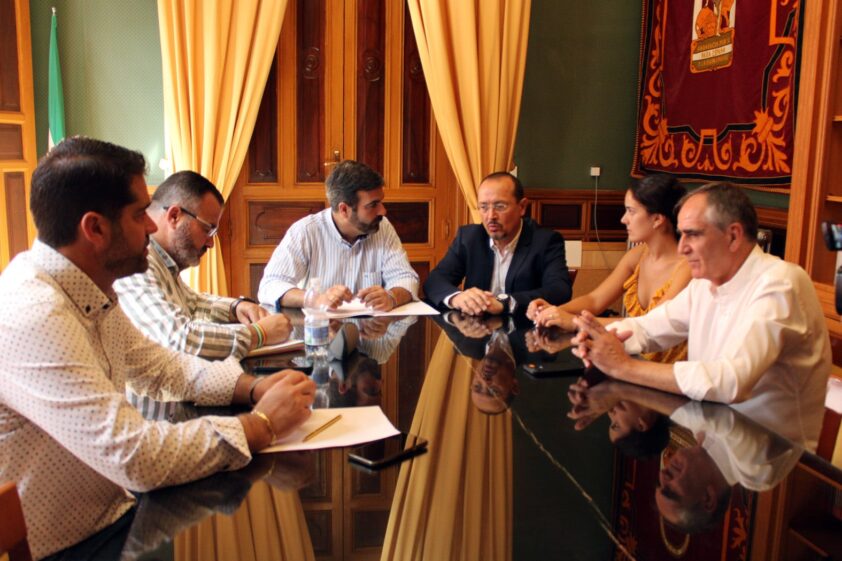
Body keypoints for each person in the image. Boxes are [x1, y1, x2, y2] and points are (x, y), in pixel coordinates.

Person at [0, 137, 315, 559]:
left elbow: (165, 368)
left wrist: (253, 389)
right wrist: (261, 425)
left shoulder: (91, 289)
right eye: (137, 214)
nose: (152, 227)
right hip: (74, 547)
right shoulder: (34, 312)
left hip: (120, 515)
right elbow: (135, 456)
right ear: (94, 228)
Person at [572, 182, 831, 414]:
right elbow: (650, 326)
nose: (682, 247)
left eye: (693, 234)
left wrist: (625, 368)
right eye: (681, 233)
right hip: (716, 435)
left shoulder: (780, 282)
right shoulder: (705, 284)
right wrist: (601, 338)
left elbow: (731, 381)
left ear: (733, 236)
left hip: (773, 454)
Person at [114, 171, 291, 360]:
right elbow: (178, 338)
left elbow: (193, 304)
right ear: (174, 216)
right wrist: (258, 334)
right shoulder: (136, 264)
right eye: (207, 229)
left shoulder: (164, 261)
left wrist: (235, 307)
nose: (210, 243)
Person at [529, 174, 691, 363]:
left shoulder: (686, 267)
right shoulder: (638, 255)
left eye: (631, 211)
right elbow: (595, 300)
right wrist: (553, 313)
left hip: (668, 373)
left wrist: (573, 322)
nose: (623, 219)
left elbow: (651, 326)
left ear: (657, 219)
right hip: (632, 361)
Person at [257, 160, 418, 311]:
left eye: (381, 202)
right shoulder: (305, 231)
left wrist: (391, 297)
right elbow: (270, 285)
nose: (383, 211)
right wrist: (315, 299)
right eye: (373, 205)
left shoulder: (383, 227)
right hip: (320, 334)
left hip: (373, 334)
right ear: (344, 210)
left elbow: (406, 277)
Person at [424, 171, 571, 316]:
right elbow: (434, 281)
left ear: (522, 207)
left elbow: (559, 290)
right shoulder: (469, 238)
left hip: (525, 333)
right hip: (476, 332)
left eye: (500, 206)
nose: (490, 216)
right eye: (484, 207)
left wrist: (506, 303)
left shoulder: (545, 241)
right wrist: (456, 297)